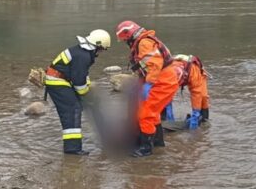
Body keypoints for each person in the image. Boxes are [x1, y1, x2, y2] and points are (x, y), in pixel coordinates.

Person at [115, 21, 179, 158]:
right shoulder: (144, 40)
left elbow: (155, 64)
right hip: (164, 80)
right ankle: (158, 143)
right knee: (152, 113)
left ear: (129, 35)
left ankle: (146, 148)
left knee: (145, 114)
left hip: (162, 82)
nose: (125, 42)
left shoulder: (144, 43)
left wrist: (148, 84)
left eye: (125, 39)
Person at [44, 29, 111, 155]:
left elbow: (82, 75)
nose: (102, 52)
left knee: (81, 106)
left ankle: (105, 137)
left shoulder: (82, 52)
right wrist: (86, 94)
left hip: (62, 80)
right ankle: (72, 148)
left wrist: (88, 91)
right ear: (97, 46)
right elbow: (79, 82)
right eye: (102, 49)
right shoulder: (83, 56)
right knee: (72, 110)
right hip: (57, 82)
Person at [169, 54, 210, 129]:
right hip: (178, 70)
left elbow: (196, 94)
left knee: (203, 97)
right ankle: (168, 119)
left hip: (196, 73)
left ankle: (204, 120)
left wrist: (195, 112)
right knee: (166, 100)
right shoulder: (167, 71)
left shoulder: (193, 72)